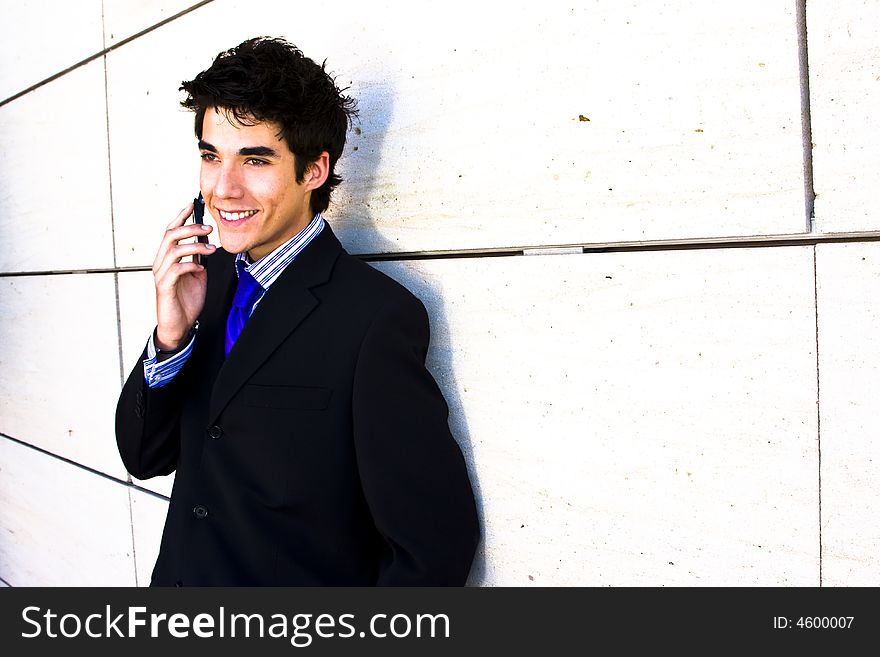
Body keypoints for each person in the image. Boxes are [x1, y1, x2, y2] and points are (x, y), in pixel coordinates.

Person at [115, 37, 479, 586]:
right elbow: (144, 458)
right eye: (211, 156)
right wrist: (171, 337)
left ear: (314, 169)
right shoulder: (202, 281)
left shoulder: (374, 318)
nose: (223, 188)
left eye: (255, 160)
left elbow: (434, 548)